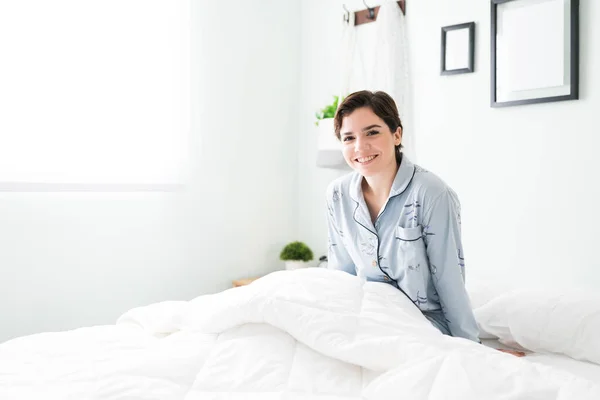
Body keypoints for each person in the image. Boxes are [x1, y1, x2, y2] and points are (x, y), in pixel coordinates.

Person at [325, 90, 524, 356]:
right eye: (349, 138)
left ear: (397, 135)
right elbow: (341, 275)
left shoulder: (431, 193)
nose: (360, 147)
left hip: (423, 325)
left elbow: (449, 281)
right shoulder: (337, 194)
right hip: (369, 317)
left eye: (372, 132)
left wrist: (475, 352)